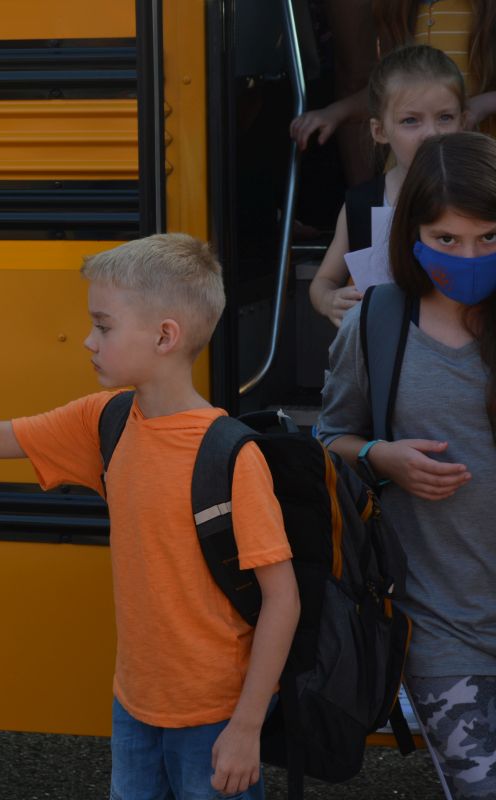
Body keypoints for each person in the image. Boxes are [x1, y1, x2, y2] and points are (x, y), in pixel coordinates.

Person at [0, 234, 300, 799]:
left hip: (217, 718)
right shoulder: (105, 419)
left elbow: (283, 598)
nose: (88, 340)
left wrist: (247, 727)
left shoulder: (231, 455)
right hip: (134, 707)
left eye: (103, 326)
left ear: (165, 336)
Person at [317, 131, 496, 799]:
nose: (469, 257)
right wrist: (378, 455)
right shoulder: (376, 324)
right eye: (446, 238)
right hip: (440, 628)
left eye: (489, 237)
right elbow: (329, 438)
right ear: (410, 233)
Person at [309, 45, 466, 326]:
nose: (431, 133)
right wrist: (328, 300)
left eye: (445, 117)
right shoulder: (362, 203)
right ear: (380, 131)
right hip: (384, 350)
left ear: (463, 122)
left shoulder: (480, 196)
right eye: (410, 120)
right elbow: (324, 280)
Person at [292, 0, 496, 152]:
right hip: (409, 170)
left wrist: (483, 104)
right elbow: (391, 92)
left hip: (476, 166)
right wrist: (336, 112)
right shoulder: (400, 9)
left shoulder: (486, 11)